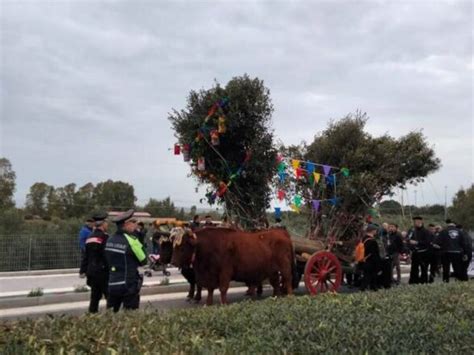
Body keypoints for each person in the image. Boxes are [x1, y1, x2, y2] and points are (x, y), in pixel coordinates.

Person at [105, 209, 147, 312]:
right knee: (130, 317)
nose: (135, 225)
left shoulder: (110, 239)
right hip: (129, 284)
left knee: (111, 316)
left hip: (112, 283)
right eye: (133, 222)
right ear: (126, 224)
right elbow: (144, 260)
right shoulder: (132, 241)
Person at [79, 212, 109, 313]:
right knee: (110, 297)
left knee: (94, 298)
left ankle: (92, 317)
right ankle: (113, 319)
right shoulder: (104, 238)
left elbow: (86, 256)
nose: (107, 225)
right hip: (103, 272)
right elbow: (106, 256)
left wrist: (82, 270)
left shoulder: (89, 237)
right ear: (103, 224)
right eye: (106, 222)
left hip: (91, 272)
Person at [407, 216, 432, 284]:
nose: (416, 223)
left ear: (421, 222)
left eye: (418, 221)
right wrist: (410, 246)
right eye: (415, 222)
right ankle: (414, 282)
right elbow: (408, 240)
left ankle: (423, 282)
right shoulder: (412, 231)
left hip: (424, 253)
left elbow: (428, 242)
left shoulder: (426, 231)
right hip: (415, 253)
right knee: (414, 269)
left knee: (424, 269)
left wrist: (417, 242)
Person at [360, 224, 381, 291]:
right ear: (372, 231)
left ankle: (366, 288)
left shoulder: (364, 239)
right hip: (371, 262)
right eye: (375, 230)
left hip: (364, 259)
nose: (376, 231)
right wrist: (378, 263)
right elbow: (374, 253)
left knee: (366, 276)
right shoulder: (372, 241)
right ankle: (370, 288)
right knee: (371, 276)